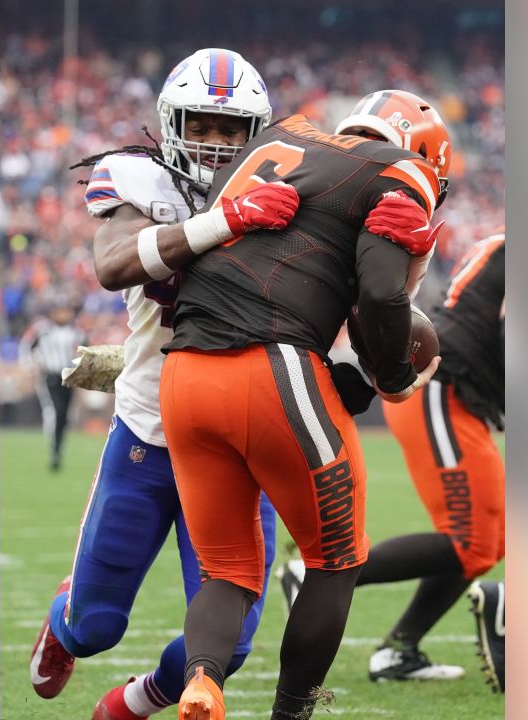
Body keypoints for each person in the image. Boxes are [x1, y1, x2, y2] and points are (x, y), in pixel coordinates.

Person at [159, 90, 452, 720]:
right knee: (337, 559)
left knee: (228, 570)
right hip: (273, 366)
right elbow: (378, 291)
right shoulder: (403, 171)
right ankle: (291, 715)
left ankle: (202, 683)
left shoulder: (278, 137)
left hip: (184, 374)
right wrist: (394, 374)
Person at [28, 48, 297, 720]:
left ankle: (137, 701)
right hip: (149, 430)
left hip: (240, 443)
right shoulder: (143, 182)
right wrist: (224, 222)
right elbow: (115, 265)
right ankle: (65, 620)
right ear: (172, 122)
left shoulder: (291, 187)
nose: (213, 142)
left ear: (255, 135)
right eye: (200, 125)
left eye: (229, 130)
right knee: (97, 626)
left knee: (229, 642)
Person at [283, 233, 504, 684]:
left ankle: (399, 650)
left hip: (459, 395)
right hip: (444, 390)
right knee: (473, 542)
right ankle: (314, 576)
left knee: (489, 541)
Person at [19, 306, 86, 471]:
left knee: (65, 413)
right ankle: (54, 448)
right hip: (50, 376)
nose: (64, 315)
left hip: (69, 376)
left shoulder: (76, 332)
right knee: (54, 410)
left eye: (67, 311)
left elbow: (86, 351)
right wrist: (30, 366)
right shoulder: (43, 331)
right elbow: (26, 346)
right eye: (61, 311)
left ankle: (59, 443)